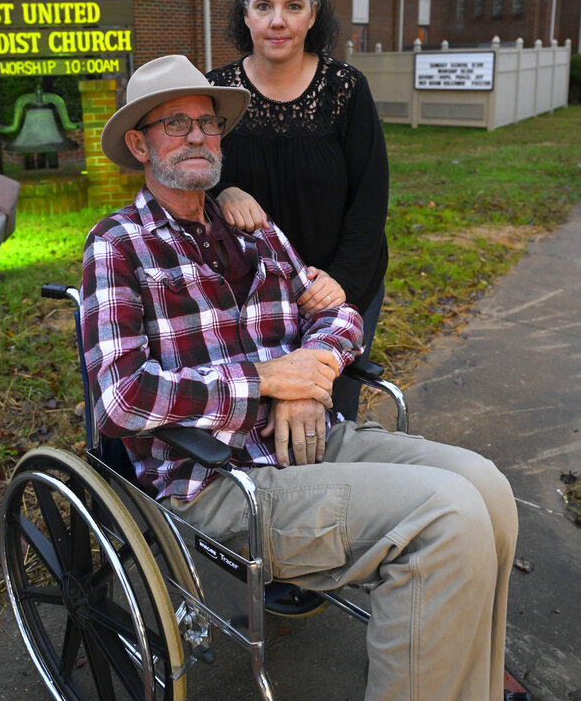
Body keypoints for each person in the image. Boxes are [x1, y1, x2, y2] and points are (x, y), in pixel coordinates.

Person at [81, 54, 518, 701]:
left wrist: (308, 380)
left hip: (313, 439)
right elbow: (119, 401)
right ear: (140, 144)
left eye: (207, 123)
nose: (198, 135)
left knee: (488, 489)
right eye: (175, 123)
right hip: (221, 479)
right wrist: (264, 380)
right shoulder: (118, 246)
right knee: (443, 519)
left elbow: (339, 316)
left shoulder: (254, 231)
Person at [207, 0, 388, 402]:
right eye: (263, 6)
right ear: (245, 15)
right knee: (258, 423)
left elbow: (370, 198)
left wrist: (342, 280)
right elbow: (187, 177)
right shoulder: (215, 93)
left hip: (334, 288)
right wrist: (222, 190)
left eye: (293, 6)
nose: (277, 21)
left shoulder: (346, 88)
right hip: (242, 298)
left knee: (329, 413)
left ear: (313, 15)